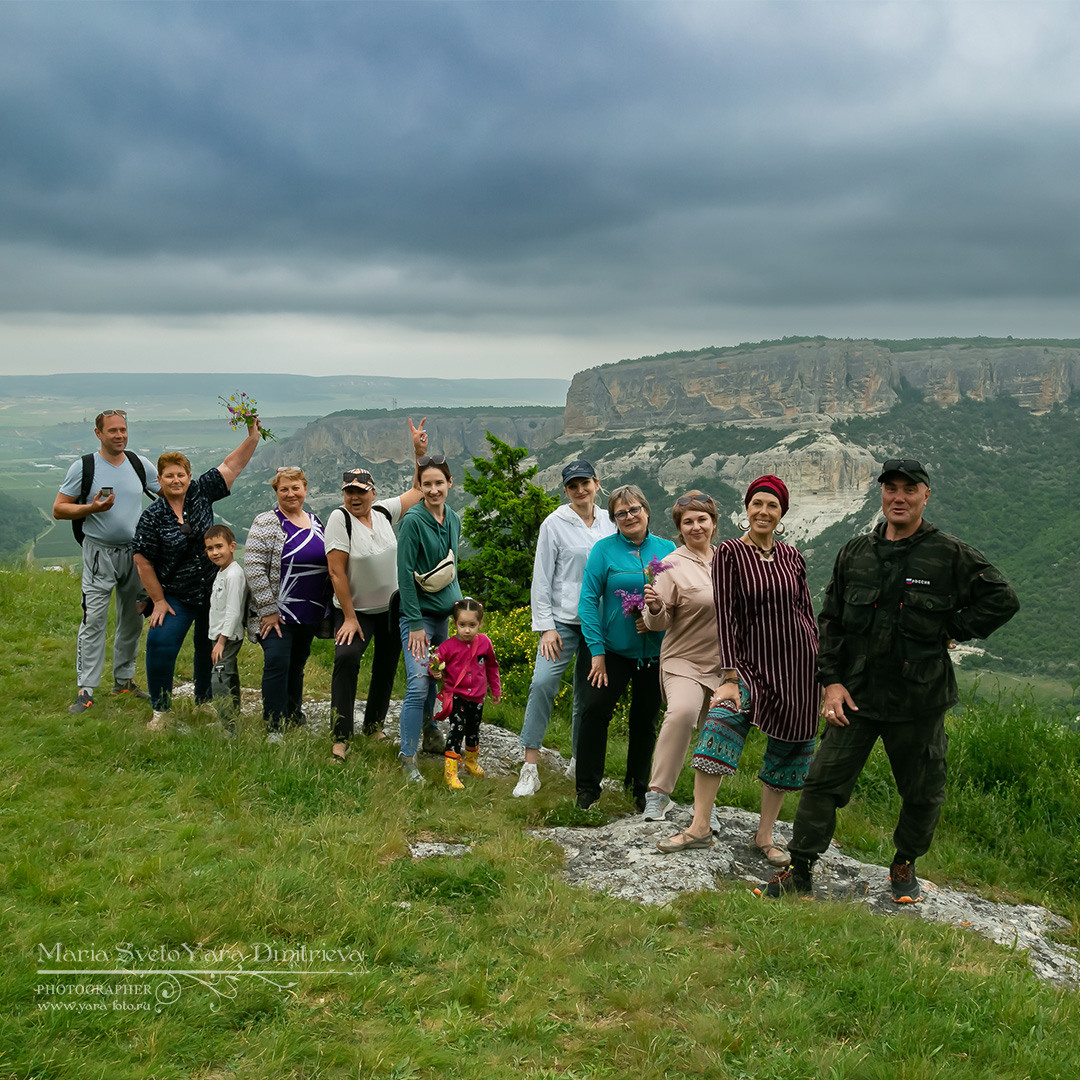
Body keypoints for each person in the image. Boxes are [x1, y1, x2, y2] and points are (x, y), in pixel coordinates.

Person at [759, 459, 1019, 904]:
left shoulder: (948, 553)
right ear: (881, 494)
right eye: (891, 489)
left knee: (922, 791)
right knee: (822, 784)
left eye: (909, 490)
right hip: (856, 696)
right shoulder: (855, 552)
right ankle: (800, 869)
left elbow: (1002, 599)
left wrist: (952, 628)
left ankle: (904, 864)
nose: (899, 498)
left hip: (919, 698)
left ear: (925, 495)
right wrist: (831, 683)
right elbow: (832, 621)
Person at [657, 476, 819, 861]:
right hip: (748, 666)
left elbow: (806, 614)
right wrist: (729, 676)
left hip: (797, 666)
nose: (763, 512)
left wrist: (821, 669)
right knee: (719, 727)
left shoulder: (792, 556)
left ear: (781, 514)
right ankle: (699, 827)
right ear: (746, 509)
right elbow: (726, 616)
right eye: (757, 504)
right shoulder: (730, 552)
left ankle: (765, 837)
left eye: (772, 506)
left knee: (788, 748)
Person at [133, 418, 262, 730]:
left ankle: (204, 701)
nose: (176, 480)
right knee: (161, 643)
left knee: (208, 648)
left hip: (213, 590)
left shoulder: (200, 493)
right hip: (176, 594)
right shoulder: (152, 517)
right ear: (159, 481)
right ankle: (161, 710)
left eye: (181, 474)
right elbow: (143, 561)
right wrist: (158, 601)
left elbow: (231, 466)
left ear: (189, 477)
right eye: (169, 476)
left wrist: (253, 438)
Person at [324, 418, 427, 763]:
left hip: (391, 607)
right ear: (344, 494)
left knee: (386, 664)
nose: (355, 497)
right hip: (356, 611)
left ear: (373, 492)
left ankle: (373, 725)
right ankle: (341, 736)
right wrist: (349, 618)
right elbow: (336, 572)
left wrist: (419, 453)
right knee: (347, 659)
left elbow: (417, 490)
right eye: (349, 491)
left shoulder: (383, 513)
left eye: (360, 491)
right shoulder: (340, 519)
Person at [513, 460, 616, 798]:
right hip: (561, 621)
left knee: (586, 697)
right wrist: (545, 627)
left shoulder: (609, 521)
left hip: (598, 623)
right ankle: (530, 766)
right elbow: (541, 578)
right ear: (566, 491)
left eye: (585, 483)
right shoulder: (554, 524)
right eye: (573, 486)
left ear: (597, 484)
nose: (580, 490)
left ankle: (579, 761)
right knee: (542, 682)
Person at [575, 485, 676, 812]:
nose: (629, 516)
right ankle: (587, 790)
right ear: (614, 518)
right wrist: (597, 652)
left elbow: (676, 598)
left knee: (645, 720)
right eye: (621, 513)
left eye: (634, 510)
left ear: (647, 511)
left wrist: (655, 616)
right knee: (594, 711)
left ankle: (638, 789)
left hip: (654, 653)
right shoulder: (603, 550)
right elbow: (588, 602)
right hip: (611, 652)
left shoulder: (667, 549)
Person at [53, 409, 160, 713]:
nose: (119, 436)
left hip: (135, 553)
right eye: (112, 431)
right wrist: (92, 508)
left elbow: (168, 492)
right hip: (99, 552)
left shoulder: (139, 465)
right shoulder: (84, 466)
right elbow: (59, 509)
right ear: (98, 434)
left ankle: (123, 682)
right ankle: (85, 689)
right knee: (94, 619)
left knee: (131, 619)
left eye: (123, 430)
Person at [638, 491, 723, 822]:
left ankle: (705, 808)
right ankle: (657, 795)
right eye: (688, 521)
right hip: (683, 660)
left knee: (717, 729)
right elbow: (658, 621)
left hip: (723, 666)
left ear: (714, 524)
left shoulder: (729, 560)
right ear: (680, 528)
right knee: (683, 713)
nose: (696, 526)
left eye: (702, 519)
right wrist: (655, 608)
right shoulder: (670, 565)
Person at [244, 467, 330, 742]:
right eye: (284, 489)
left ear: (305, 489)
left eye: (296, 488)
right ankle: (273, 724)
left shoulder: (316, 521)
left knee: (297, 664)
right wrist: (268, 610)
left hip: (309, 611)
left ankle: (294, 714)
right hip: (276, 613)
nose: (291, 493)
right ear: (277, 492)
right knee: (277, 661)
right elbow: (254, 567)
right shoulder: (266, 522)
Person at [396, 453, 463, 782]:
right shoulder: (412, 522)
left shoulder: (452, 518)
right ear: (419, 487)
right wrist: (416, 626)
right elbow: (405, 576)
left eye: (439, 483)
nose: (434, 490)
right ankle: (407, 757)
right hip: (418, 618)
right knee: (419, 684)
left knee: (437, 679)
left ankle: (430, 730)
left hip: (444, 616)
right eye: (427, 484)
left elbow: (451, 567)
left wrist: (462, 609)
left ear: (450, 483)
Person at [431, 598, 501, 789]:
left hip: (478, 697)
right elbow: (434, 660)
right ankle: (451, 771)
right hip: (456, 696)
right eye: (462, 625)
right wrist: (434, 669)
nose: (467, 630)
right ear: (455, 624)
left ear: (480, 624)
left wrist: (496, 689)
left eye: (472, 625)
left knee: (473, 729)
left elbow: (492, 667)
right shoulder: (447, 646)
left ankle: (471, 760)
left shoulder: (485, 643)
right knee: (456, 730)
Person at [204, 525, 247, 737]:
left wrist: (221, 641)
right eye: (210, 548)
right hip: (218, 635)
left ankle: (227, 726)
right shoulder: (222, 572)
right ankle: (233, 716)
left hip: (227, 637)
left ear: (232, 547)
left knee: (218, 679)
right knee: (229, 675)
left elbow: (233, 611)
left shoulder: (234, 575)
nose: (215, 552)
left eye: (219, 546)